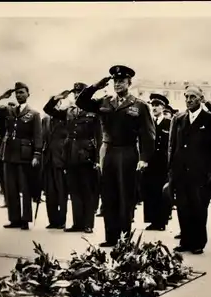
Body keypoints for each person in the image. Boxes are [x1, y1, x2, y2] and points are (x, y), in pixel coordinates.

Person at [76, 65, 155, 247]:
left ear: (129, 83)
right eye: (115, 81)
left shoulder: (139, 105)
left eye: (122, 81)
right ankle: (111, 237)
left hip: (128, 152)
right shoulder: (105, 101)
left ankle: (124, 238)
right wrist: (95, 86)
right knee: (109, 195)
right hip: (109, 152)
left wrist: (144, 158)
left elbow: (148, 134)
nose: (118, 84)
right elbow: (82, 102)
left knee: (125, 196)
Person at [168, 85, 211, 254]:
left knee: (199, 207)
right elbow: (173, 145)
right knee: (183, 207)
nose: (189, 100)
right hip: (181, 171)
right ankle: (185, 240)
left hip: (201, 172)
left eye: (192, 97)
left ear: (200, 98)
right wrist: (171, 169)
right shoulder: (179, 118)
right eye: (186, 97)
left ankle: (198, 242)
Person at [44, 82, 102, 234]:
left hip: (86, 154)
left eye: (79, 93)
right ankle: (78, 223)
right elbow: (48, 110)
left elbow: (99, 136)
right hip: (70, 154)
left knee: (87, 190)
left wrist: (97, 159)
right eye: (75, 94)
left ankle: (88, 223)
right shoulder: (69, 111)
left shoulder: (93, 112)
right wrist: (56, 98)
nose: (77, 96)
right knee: (74, 190)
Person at [0, 82, 42, 230]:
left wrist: (36, 155)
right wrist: (1, 97)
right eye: (17, 93)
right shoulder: (8, 110)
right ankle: (14, 219)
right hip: (8, 153)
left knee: (25, 188)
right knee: (10, 188)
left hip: (25, 154)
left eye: (22, 92)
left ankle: (25, 220)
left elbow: (38, 136)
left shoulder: (34, 114)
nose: (19, 95)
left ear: (28, 94)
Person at [141, 93, 172, 231]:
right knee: (149, 191)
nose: (154, 108)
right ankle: (152, 219)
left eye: (157, 105)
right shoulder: (148, 123)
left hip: (163, 163)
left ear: (163, 107)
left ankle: (161, 221)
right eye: (152, 105)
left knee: (162, 193)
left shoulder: (169, 123)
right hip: (149, 162)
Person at [41, 91, 69, 229]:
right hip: (48, 159)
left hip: (61, 158)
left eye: (58, 102)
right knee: (50, 192)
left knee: (61, 192)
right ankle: (52, 220)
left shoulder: (64, 117)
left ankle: (62, 220)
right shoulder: (45, 120)